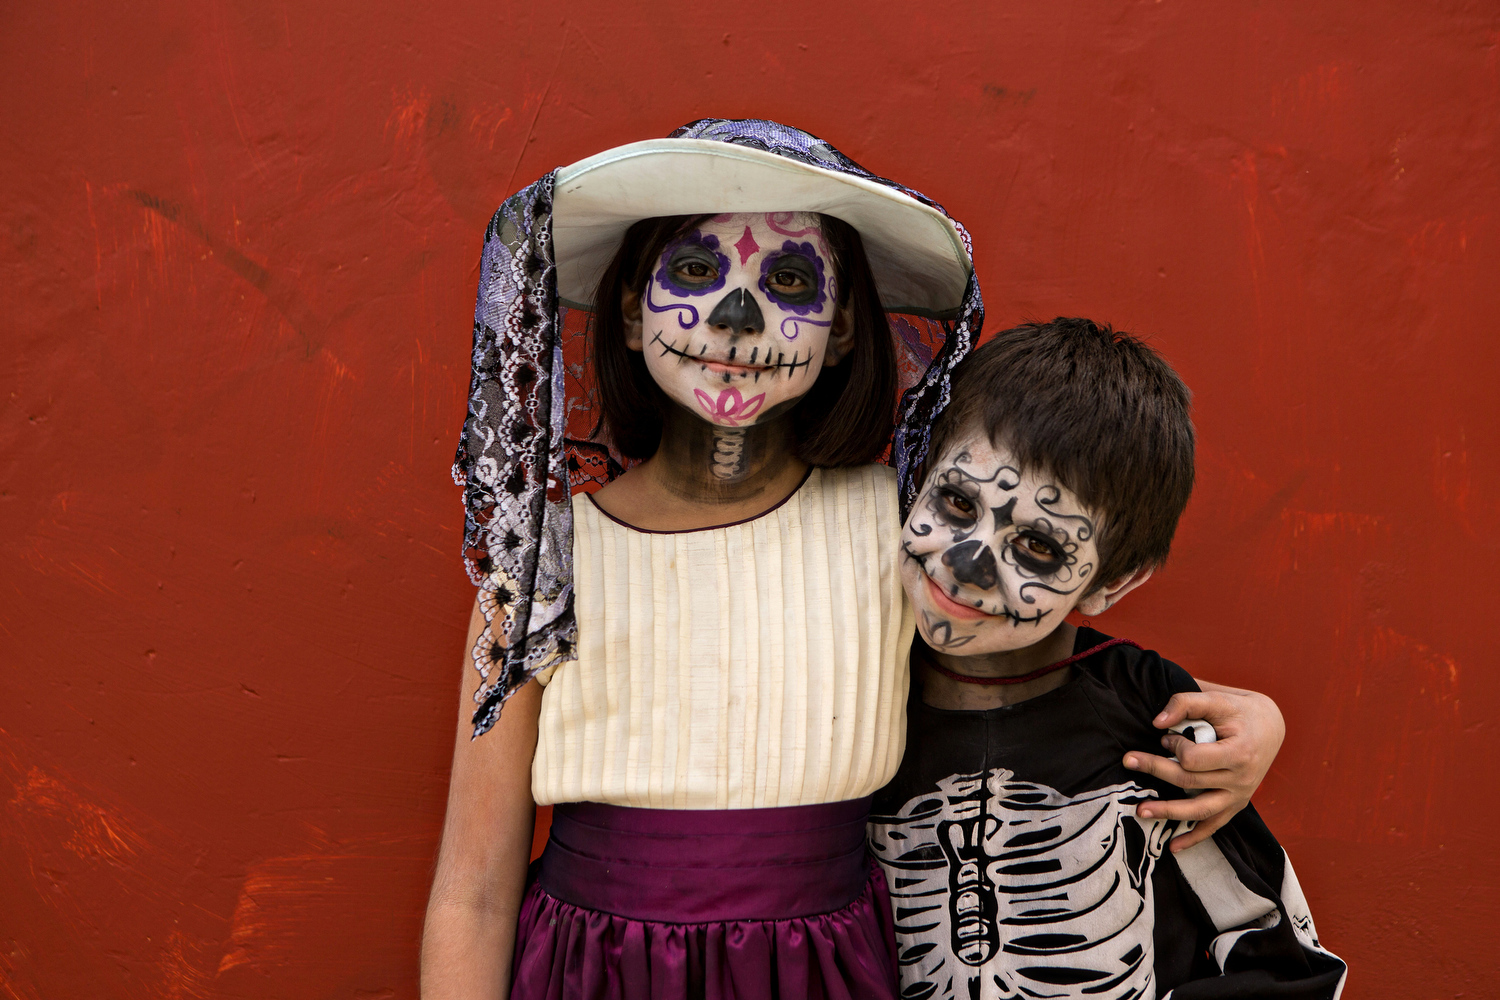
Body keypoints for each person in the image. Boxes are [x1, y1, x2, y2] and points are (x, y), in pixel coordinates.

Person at [423, 121, 1288, 1000]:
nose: (734, 317)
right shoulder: (538, 565)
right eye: (693, 272)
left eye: (790, 280)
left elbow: (1032, 654)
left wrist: (1254, 726)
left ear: (840, 330)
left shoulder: (899, 529)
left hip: (827, 974)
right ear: (628, 308)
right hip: (592, 975)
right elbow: (474, 890)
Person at [869, 318, 1347, 1000]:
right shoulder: (848, 680)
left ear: (1111, 584)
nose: (966, 566)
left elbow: (1287, 963)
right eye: (954, 502)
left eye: (1037, 546)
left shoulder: (1156, 727)